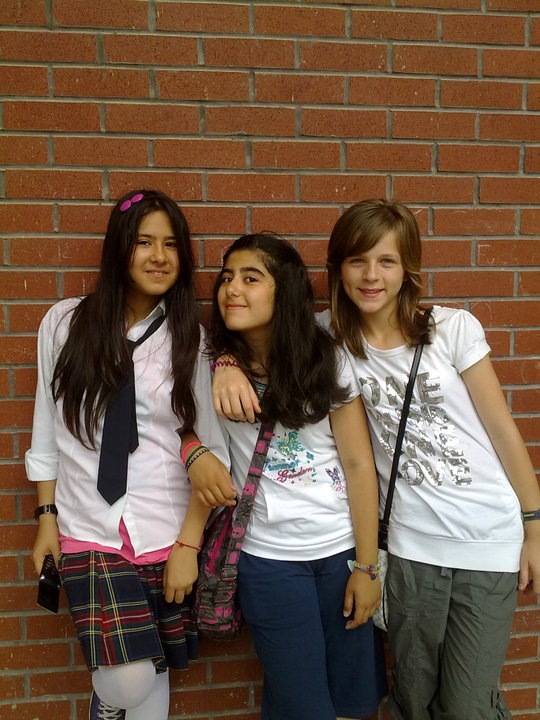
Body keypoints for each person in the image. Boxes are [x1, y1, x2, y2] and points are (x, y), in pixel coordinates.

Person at [212, 200, 540, 720]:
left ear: (408, 268)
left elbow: (503, 432)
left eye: (387, 261)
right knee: (413, 695)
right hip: (410, 545)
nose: (371, 276)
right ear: (338, 269)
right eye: (357, 261)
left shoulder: (451, 329)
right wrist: (225, 361)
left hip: (488, 538)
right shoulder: (329, 339)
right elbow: (261, 332)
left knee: (467, 704)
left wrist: (534, 524)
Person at [26, 189, 228, 720]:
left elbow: (211, 451)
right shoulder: (64, 324)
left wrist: (188, 543)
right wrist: (45, 517)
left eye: (170, 244)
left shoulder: (190, 340)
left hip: (164, 529)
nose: (159, 256)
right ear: (120, 247)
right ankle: (109, 705)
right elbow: (47, 428)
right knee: (129, 676)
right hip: (87, 525)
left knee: (151, 669)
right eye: (144, 242)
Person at [189, 232, 387, 720]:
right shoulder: (210, 363)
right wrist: (221, 367)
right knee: (302, 705)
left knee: (353, 702)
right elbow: (177, 426)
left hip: (340, 553)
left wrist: (367, 568)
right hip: (268, 561)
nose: (233, 289)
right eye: (227, 278)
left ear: (286, 290)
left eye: (251, 278)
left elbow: (359, 465)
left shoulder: (327, 356)